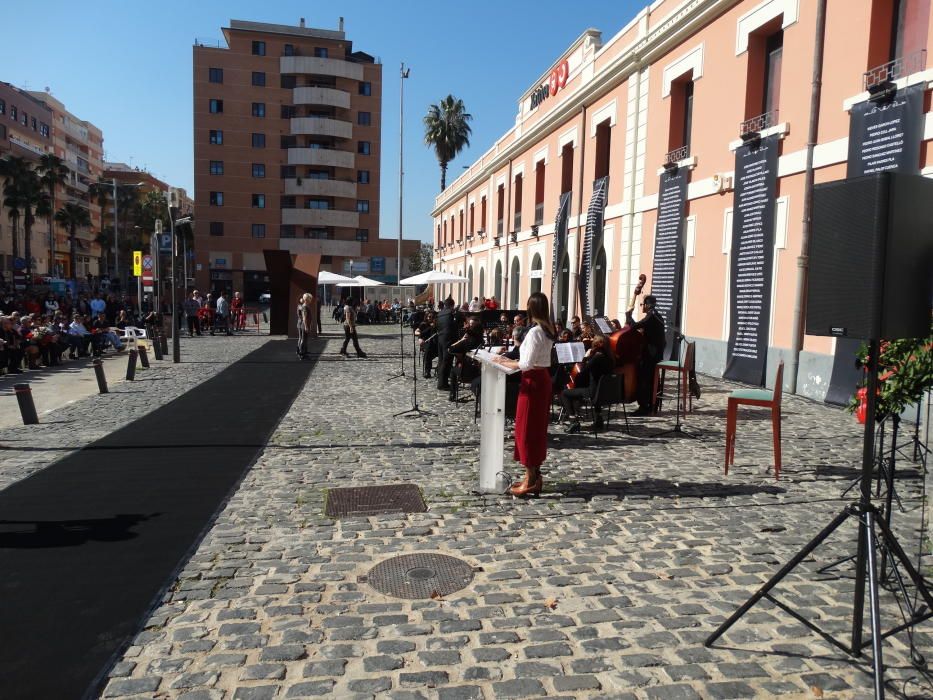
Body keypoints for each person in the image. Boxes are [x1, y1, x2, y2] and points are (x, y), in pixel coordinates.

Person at [492, 292, 556, 497]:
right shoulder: (548, 330)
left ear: (532, 308)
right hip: (541, 378)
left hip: (533, 381)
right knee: (535, 428)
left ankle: (530, 478)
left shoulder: (536, 332)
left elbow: (526, 363)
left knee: (527, 429)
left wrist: (503, 362)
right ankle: (535, 475)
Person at [560, 333, 615, 433]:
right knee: (583, 388)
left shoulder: (597, 358)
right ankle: (599, 419)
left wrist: (585, 357)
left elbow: (583, 371)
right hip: (607, 393)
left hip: (593, 392)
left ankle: (573, 421)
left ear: (597, 344)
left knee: (565, 393)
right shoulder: (610, 358)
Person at [625, 293, 666, 416]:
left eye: (642, 304)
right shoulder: (656, 315)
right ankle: (653, 404)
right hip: (656, 353)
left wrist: (628, 314)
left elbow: (633, 326)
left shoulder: (651, 317)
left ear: (648, 305)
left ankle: (645, 406)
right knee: (651, 379)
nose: (641, 306)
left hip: (651, 355)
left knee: (644, 378)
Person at [435, 298, 457, 390]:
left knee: (441, 360)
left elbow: (437, 326)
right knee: (447, 361)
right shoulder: (451, 313)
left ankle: (441, 382)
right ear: (452, 305)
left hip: (440, 338)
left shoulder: (440, 313)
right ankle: (443, 384)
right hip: (448, 339)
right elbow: (455, 326)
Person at [296, 292, 313, 359]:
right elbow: (304, 317)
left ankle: (302, 352)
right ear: (307, 299)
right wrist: (306, 326)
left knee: (302, 339)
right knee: (303, 339)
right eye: (310, 298)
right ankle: (302, 354)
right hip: (303, 325)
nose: (311, 300)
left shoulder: (304, 306)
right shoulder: (305, 307)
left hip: (301, 324)